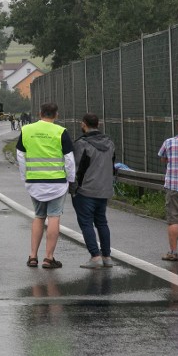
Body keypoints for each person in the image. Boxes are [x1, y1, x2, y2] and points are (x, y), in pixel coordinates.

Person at [17, 102, 76, 269]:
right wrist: (70, 180)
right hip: (57, 182)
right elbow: (69, 160)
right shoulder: (60, 132)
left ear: (39, 113)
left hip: (34, 181)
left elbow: (20, 156)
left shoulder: (27, 130)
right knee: (54, 217)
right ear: (56, 115)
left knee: (38, 216)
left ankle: (33, 256)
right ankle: (49, 258)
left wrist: (25, 177)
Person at [71, 113, 116, 268]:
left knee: (86, 223)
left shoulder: (81, 143)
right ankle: (107, 257)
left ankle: (95, 257)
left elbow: (75, 168)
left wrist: (73, 187)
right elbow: (112, 165)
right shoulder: (109, 142)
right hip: (104, 189)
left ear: (83, 124)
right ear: (99, 124)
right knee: (102, 222)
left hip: (86, 191)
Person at [157, 118, 178, 262]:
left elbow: (163, 159)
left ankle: (172, 252)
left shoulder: (169, 142)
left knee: (174, 220)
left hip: (173, 186)